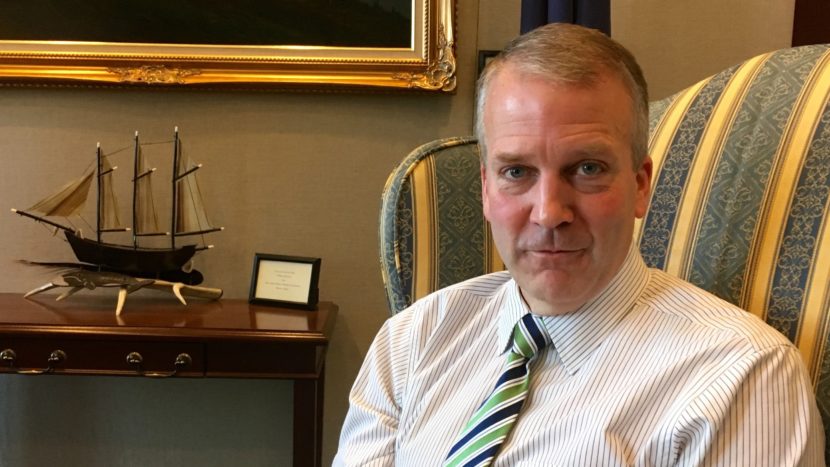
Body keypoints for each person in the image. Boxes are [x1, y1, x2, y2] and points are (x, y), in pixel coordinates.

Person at [334, 23, 825, 466]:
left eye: (587, 169)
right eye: (517, 172)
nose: (549, 212)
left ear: (639, 184)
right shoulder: (411, 343)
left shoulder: (741, 379)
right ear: (485, 189)